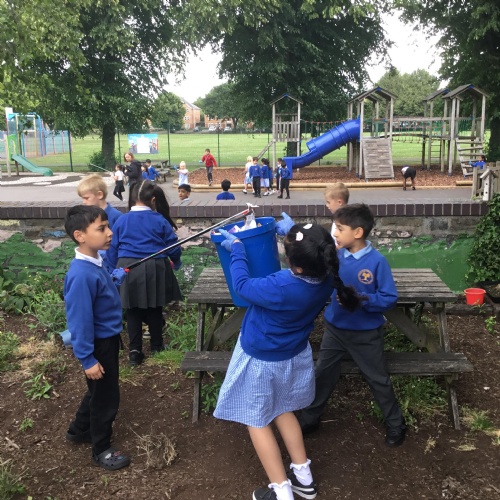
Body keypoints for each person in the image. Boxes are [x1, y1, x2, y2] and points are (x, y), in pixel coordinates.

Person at [214, 223, 360, 500]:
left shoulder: (280, 286)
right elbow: (318, 248)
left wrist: (238, 250)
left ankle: (281, 491)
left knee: (257, 420)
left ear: (298, 266)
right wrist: (293, 230)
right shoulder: (327, 275)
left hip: (261, 361)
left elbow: (242, 286)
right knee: (283, 409)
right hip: (292, 356)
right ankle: (304, 479)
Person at [297, 203, 407, 448]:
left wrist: (363, 300)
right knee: (323, 374)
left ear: (357, 232)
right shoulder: (335, 256)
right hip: (335, 331)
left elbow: (389, 298)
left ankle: (395, 423)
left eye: (339, 228)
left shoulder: (377, 262)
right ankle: (310, 418)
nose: (334, 233)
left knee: (377, 379)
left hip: (366, 335)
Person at [63, 205, 130, 471]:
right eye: (101, 228)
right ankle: (101, 448)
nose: (110, 232)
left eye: (108, 226)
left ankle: (79, 430)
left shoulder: (96, 262)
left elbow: (99, 295)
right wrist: (87, 359)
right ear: (80, 236)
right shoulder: (81, 274)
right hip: (98, 346)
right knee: (106, 398)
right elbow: (79, 321)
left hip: (106, 340)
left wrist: (111, 281)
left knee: (97, 390)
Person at [107, 180, 182, 366]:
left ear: (132, 198)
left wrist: (113, 270)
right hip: (155, 267)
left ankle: (135, 352)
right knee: (155, 308)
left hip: (127, 268)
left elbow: (112, 249)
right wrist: (176, 260)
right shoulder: (159, 220)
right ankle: (157, 346)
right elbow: (173, 246)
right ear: (153, 199)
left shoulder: (121, 220)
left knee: (132, 310)